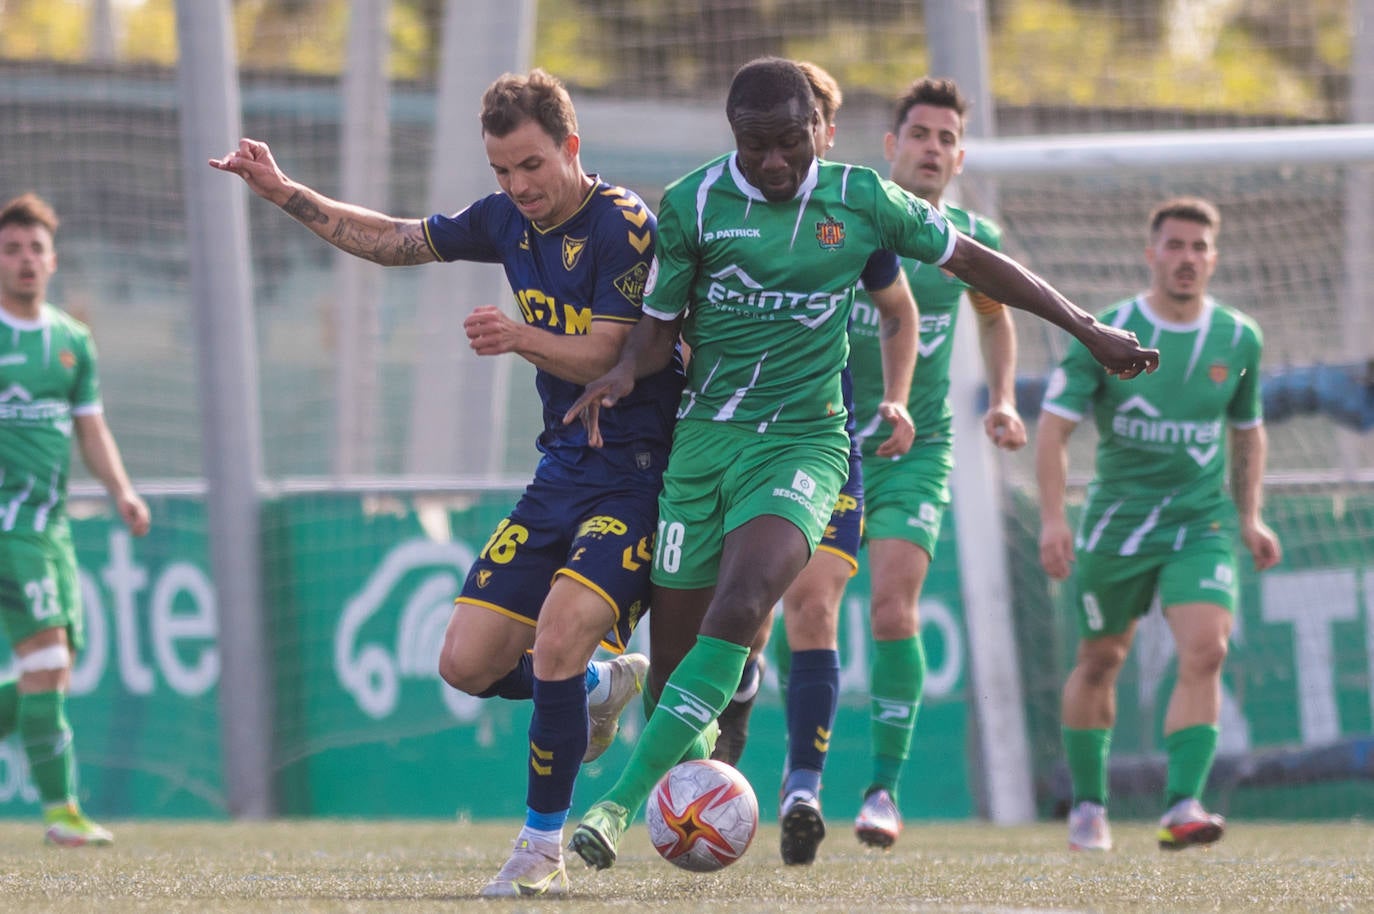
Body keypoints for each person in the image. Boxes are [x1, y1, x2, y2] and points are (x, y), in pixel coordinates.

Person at [561, 56, 1158, 873]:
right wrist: (626, 372)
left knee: (744, 605)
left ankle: (617, 807)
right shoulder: (694, 203)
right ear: (734, 136)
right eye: (756, 144)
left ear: (821, 129)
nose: (774, 162)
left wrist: (1086, 328)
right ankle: (691, 746)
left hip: (807, 444)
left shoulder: (863, 201)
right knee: (677, 680)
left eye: (791, 142)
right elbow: (660, 325)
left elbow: (977, 265)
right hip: (703, 446)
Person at [211, 68, 681, 897]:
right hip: (561, 469)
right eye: (501, 171)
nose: (517, 187)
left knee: (563, 638)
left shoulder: (624, 224)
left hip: (638, 475)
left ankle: (540, 849)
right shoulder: (504, 219)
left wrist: (518, 335)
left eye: (531, 166)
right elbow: (396, 239)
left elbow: (612, 352)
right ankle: (606, 685)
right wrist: (286, 192)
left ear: (571, 147)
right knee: (465, 665)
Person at [708, 60, 921, 867]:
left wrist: (895, 400)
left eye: (806, 135)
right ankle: (734, 708)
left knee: (817, 606)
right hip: (734, 444)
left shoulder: (850, 215)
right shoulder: (711, 210)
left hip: (825, 444)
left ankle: (803, 787)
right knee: (750, 614)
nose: (786, 158)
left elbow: (898, 311)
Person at [1036, 196, 1281, 852]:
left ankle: (1182, 805)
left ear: (1213, 258)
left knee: (1208, 648)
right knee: (1099, 661)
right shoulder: (1107, 330)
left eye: (1199, 248)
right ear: (1151, 254)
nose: (1187, 259)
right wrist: (1054, 519)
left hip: (1198, 524)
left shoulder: (1239, 338)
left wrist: (1250, 518)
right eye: (1174, 246)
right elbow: (1053, 432)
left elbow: (1247, 435)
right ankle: (1089, 805)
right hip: (1116, 529)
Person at [846, 76, 1028, 850]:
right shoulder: (846, 222)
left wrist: (1005, 397)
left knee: (893, 607)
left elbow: (997, 319)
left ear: (959, 155)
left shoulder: (969, 239)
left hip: (914, 450)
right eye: (920, 133)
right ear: (892, 146)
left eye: (948, 138)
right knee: (796, 611)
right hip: (819, 442)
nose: (933, 148)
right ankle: (796, 771)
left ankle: (884, 790)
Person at [0, 192, 151, 846]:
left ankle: (61, 811)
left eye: (35, 249)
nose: (25, 260)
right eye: (11, 250)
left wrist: (121, 491)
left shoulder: (70, 341)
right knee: (51, 657)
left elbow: (91, 430)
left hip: (52, 527)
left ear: (53, 260)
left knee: (60, 663)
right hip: (9, 527)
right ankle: (61, 812)